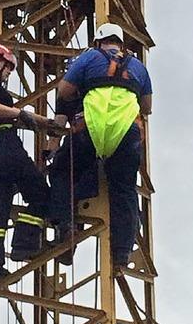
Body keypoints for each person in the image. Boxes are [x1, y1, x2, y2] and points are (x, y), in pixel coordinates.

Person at [48, 23, 152, 268]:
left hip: (92, 129)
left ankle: (67, 227)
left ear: (98, 41)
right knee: (124, 188)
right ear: (121, 43)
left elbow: (64, 91)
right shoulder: (139, 67)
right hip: (126, 133)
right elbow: (147, 107)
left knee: (63, 170)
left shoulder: (90, 56)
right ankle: (122, 252)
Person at [0, 44, 51, 284]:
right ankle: (23, 245)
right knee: (42, 196)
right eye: (9, 68)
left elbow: (9, 113)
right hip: (6, 148)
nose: (9, 73)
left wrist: (43, 122)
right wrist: (20, 115)